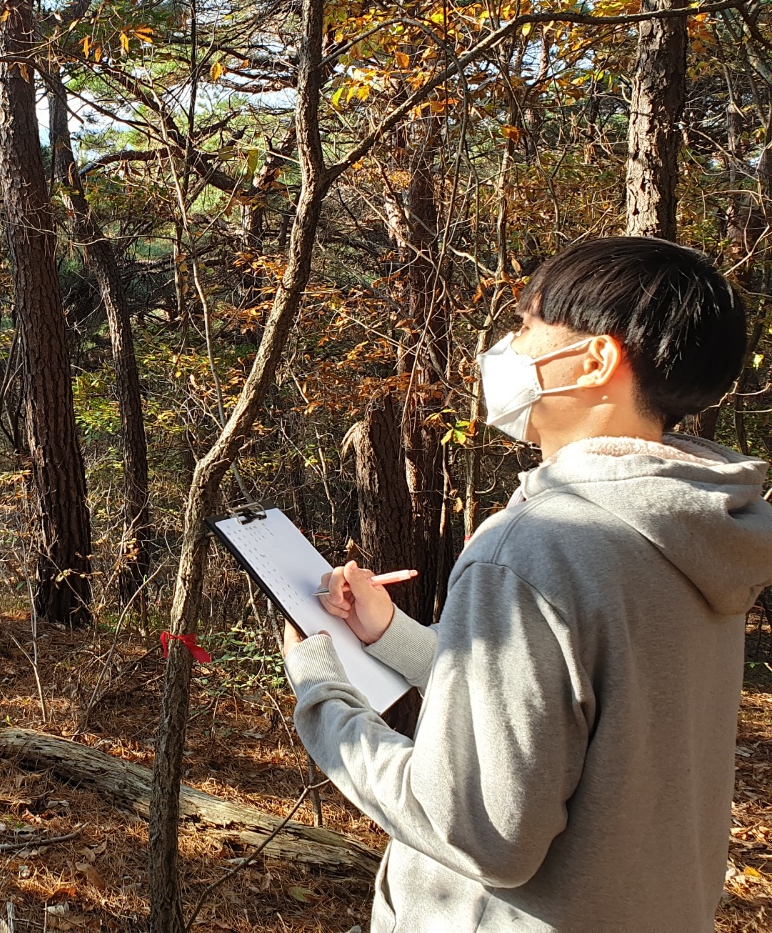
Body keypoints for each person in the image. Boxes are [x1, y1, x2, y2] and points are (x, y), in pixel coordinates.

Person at [281, 236, 772, 932]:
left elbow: (477, 830)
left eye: (526, 325)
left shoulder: (534, 544)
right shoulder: (695, 527)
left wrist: (320, 691)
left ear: (595, 360)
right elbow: (562, 707)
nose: (505, 349)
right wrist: (390, 634)